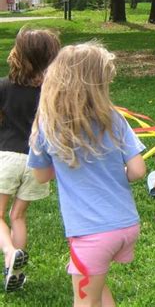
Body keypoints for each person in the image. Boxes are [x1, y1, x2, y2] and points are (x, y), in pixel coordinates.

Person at [28, 42, 146, 306]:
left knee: (84, 302)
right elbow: (138, 170)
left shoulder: (47, 124)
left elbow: (41, 176)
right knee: (99, 290)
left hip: (91, 234)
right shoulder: (114, 118)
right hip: (125, 225)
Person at [0, 27, 60, 292]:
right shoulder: (54, 92)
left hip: (8, 155)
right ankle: (13, 268)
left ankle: (11, 252)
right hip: (39, 161)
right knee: (18, 216)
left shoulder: (3, 86)